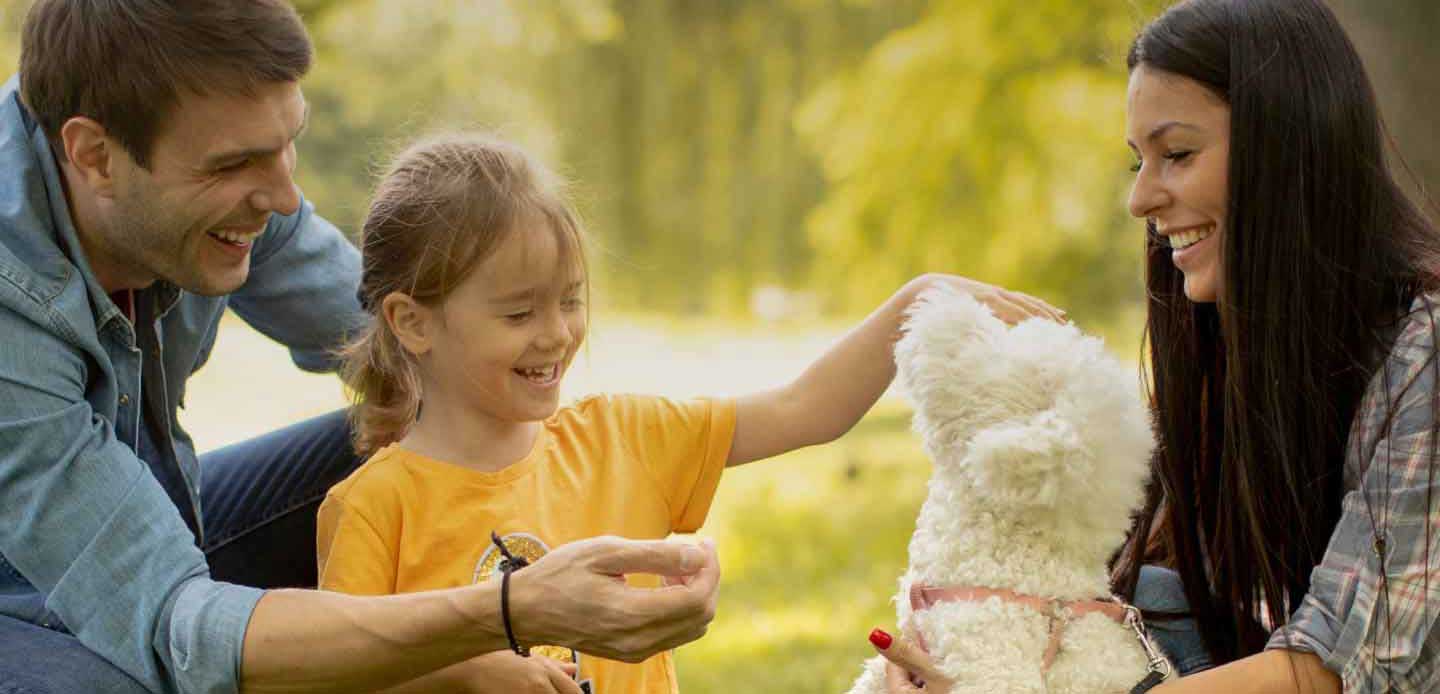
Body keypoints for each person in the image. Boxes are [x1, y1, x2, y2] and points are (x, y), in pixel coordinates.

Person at [0, 3, 722, 693]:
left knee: (427, 442)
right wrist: (507, 611)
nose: (284, 197)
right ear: (95, 155)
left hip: (144, 530)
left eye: (289, 144)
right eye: (234, 165)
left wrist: (567, 443)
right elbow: (173, 626)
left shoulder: (238, 195)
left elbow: (411, 344)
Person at [315, 132, 1066, 694]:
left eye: (570, 301)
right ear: (412, 322)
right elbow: (336, 675)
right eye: (518, 313)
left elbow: (805, 408)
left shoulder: (621, 438)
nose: (556, 333)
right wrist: (463, 674)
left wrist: (914, 302)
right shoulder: (374, 506)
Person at [870, 0, 1440, 692]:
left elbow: (1340, 665)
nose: (1139, 199)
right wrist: (955, 657)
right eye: (1138, 161)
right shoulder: (1229, 341)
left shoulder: (1426, 352)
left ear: (1288, 148)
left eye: (1177, 154)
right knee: (1150, 591)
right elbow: (1093, 584)